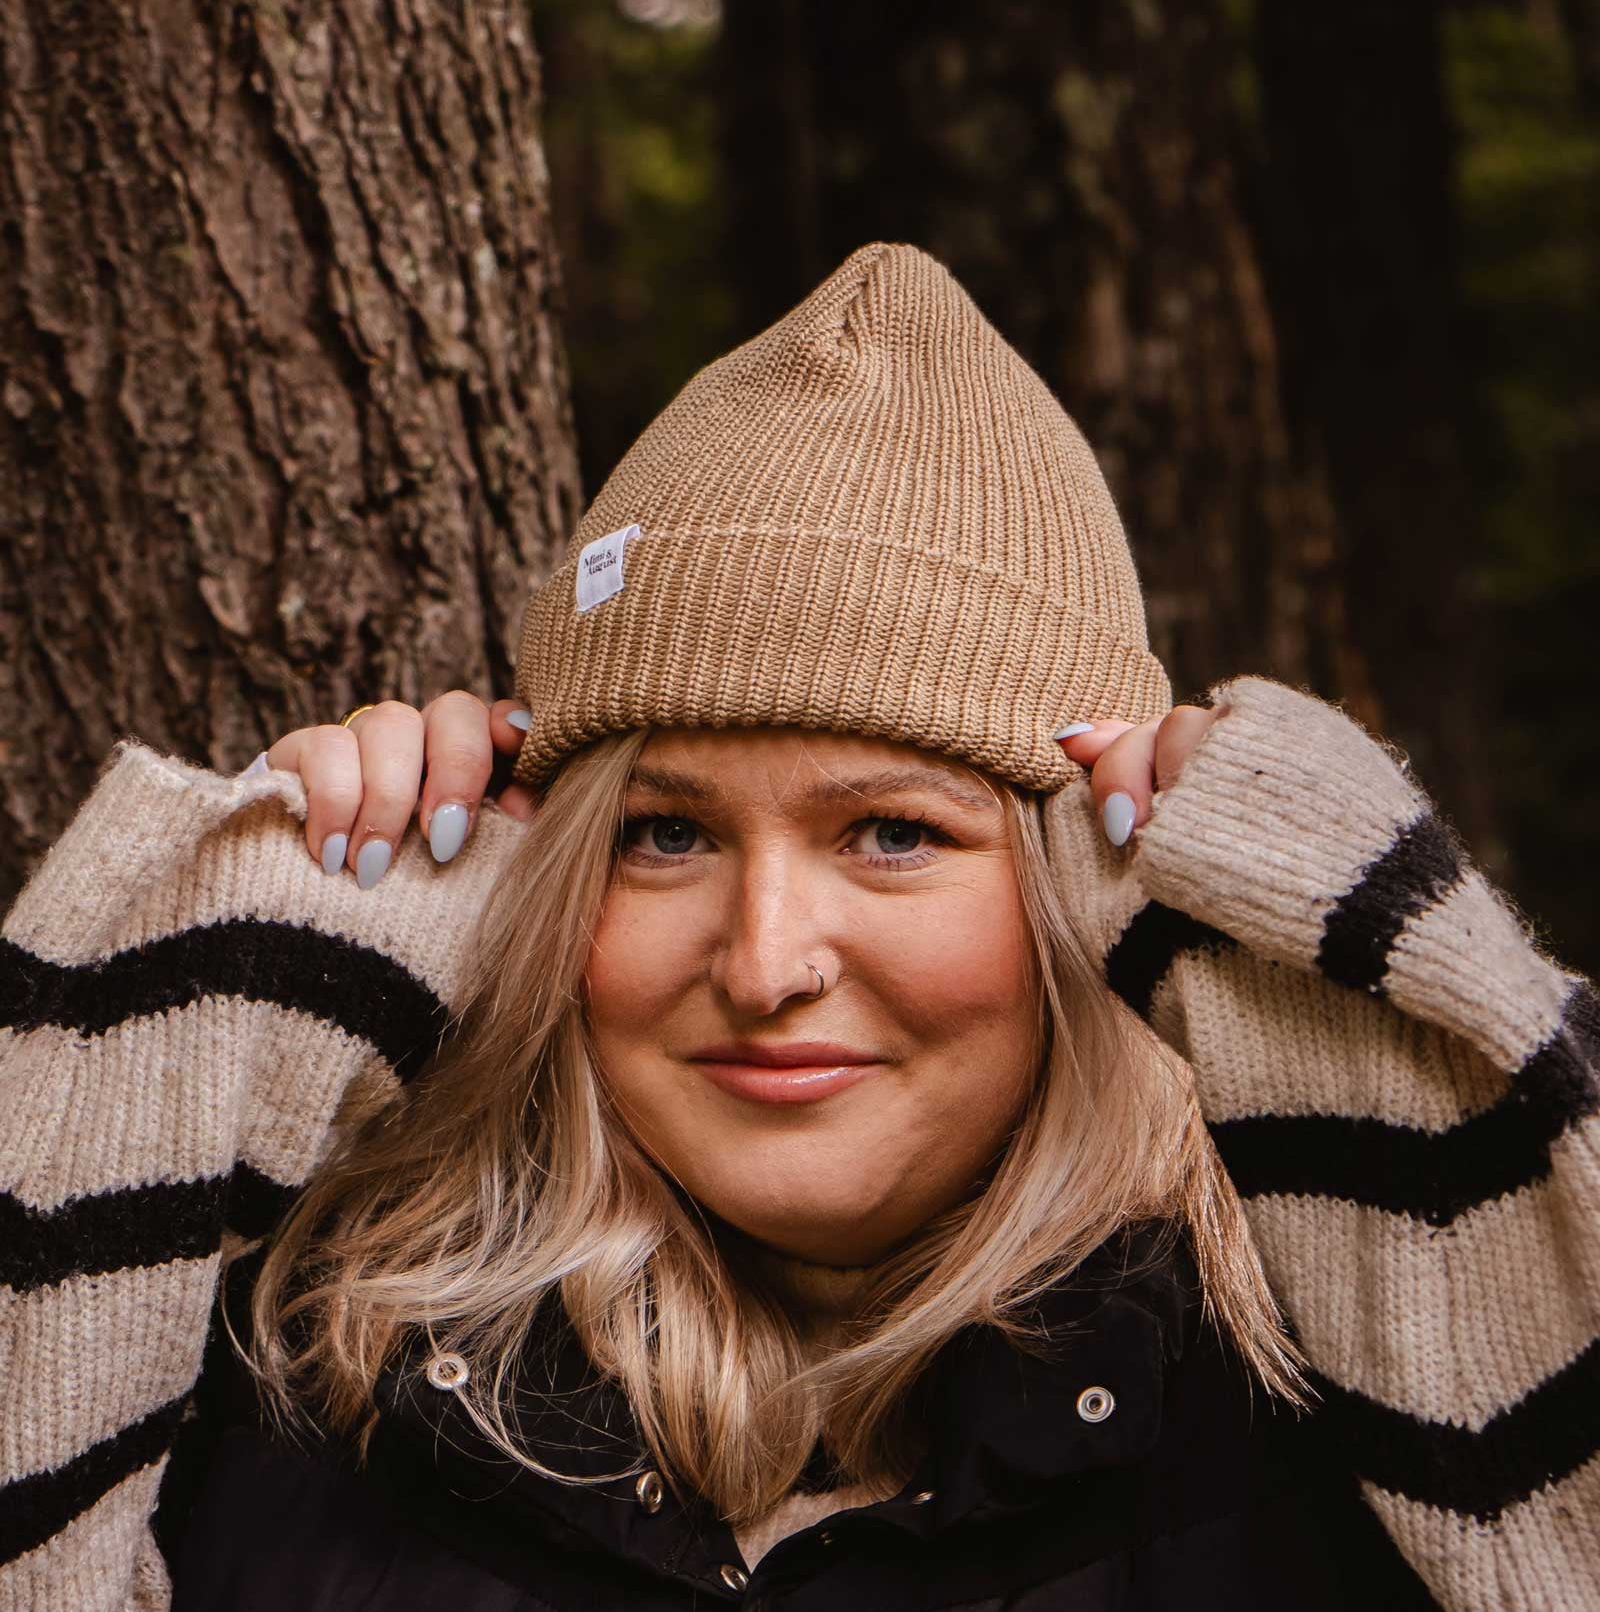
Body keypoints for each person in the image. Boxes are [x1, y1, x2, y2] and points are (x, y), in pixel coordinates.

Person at [2, 244, 1595, 1610]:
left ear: (1093, 877)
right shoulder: (301, 1393)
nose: (765, 964)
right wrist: (231, 973)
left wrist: (1404, 1048)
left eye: (894, 832)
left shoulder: (1338, 1418)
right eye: (665, 833)